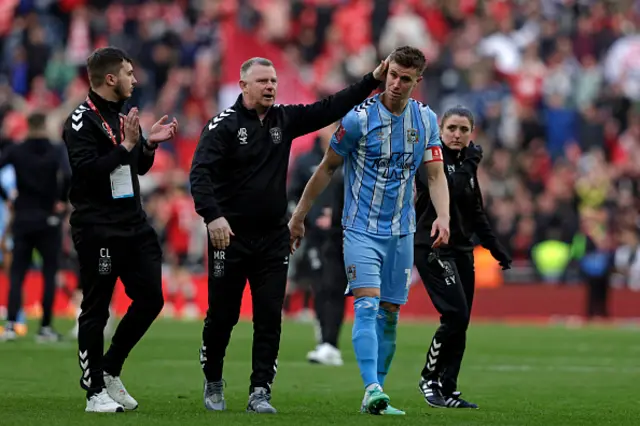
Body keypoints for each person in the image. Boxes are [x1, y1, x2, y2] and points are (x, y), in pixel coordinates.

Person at [190, 56, 389, 414]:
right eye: (262, 81)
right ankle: (214, 379)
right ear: (243, 86)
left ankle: (260, 391)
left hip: (272, 238)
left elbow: (329, 107)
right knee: (223, 315)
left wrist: (372, 79)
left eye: (273, 81)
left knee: (269, 315)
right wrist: (213, 216)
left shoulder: (284, 119)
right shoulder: (222, 126)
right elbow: (199, 174)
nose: (270, 86)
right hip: (228, 238)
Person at [289, 46, 451, 416]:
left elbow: (435, 174)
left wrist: (443, 216)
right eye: (392, 75)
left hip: (402, 232)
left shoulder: (425, 120)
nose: (396, 84)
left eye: (405, 79)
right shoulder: (359, 119)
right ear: (385, 71)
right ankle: (372, 388)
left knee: (389, 314)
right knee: (366, 306)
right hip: (360, 229)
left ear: (417, 82)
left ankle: (376, 392)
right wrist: (299, 215)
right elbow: (327, 168)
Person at [62, 46, 178, 413]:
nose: (135, 79)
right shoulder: (81, 121)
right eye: (129, 73)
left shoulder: (123, 117)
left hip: (134, 223)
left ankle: (111, 368)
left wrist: (146, 146)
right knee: (97, 308)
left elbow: (135, 169)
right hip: (99, 227)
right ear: (110, 78)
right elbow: (87, 172)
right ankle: (94, 390)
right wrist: (128, 144)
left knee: (151, 299)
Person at [414, 106, 511, 409]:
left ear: (472, 133)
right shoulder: (431, 158)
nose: (457, 135)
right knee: (455, 315)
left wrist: (496, 248)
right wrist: (470, 163)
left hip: (461, 249)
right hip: (432, 246)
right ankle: (429, 379)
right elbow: (449, 189)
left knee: (462, 320)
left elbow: (475, 211)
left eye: (464, 130)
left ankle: (448, 387)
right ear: (440, 130)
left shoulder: (466, 163)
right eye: (452, 129)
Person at [0, 112, 70, 342]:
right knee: (49, 274)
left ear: (28, 126)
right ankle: (45, 328)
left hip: (22, 217)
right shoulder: (56, 149)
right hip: (48, 218)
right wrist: (61, 199)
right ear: (45, 125)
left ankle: (11, 324)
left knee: (17, 273)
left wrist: (8, 197)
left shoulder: (17, 149)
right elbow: (68, 174)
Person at [305, 162, 348, 366]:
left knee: (336, 289)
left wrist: (335, 217)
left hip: (348, 236)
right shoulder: (308, 161)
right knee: (323, 288)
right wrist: (310, 219)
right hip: (320, 237)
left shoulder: (350, 164)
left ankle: (330, 342)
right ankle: (326, 342)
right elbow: (297, 193)